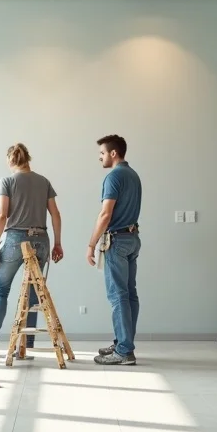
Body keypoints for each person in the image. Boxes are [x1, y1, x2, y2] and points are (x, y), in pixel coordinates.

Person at [0, 143, 64, 356]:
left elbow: (1, 215)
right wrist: (57, 243)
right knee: (33, 291)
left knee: (1, 290)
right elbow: (55, 214)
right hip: (41, 240)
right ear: (28, 159)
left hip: (15, 239)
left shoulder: (7, 181)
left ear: (10, 161)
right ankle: (25, 344)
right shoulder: (44, 182)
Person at [87, 135, 142, 366]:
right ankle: (123, 342)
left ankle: (124, 351)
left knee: (118, 295)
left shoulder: (113, 176)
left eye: (102, 153)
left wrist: (91, 244)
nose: (100, 157)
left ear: (113, 153)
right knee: (129, 294)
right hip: (133, 238)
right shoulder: (133, 175)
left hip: (117, 240)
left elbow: (105, 214)